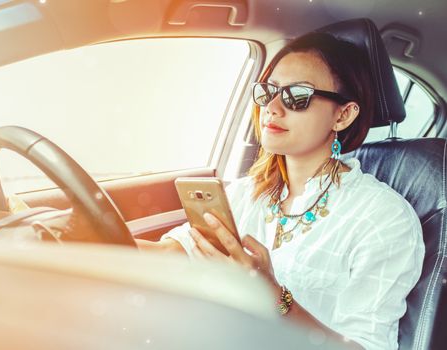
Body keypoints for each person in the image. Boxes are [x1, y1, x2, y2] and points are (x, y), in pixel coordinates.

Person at [136, 32, 425, 350]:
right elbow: (170, 254)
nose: (272, 108)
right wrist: (85, 231)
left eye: (297, 95)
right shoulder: (245, 194)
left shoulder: (383, 219)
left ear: (343, 115)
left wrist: (273, 296)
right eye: (267, 92)